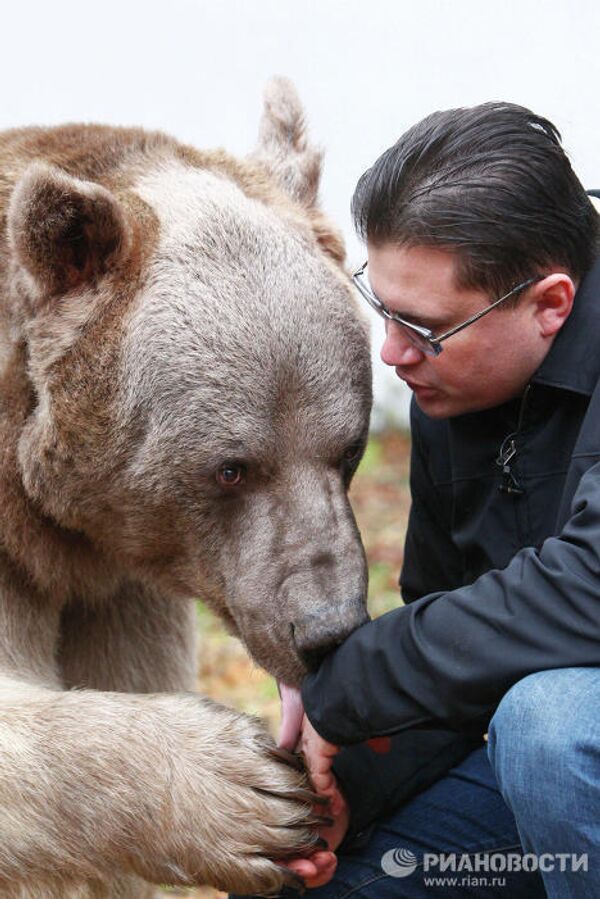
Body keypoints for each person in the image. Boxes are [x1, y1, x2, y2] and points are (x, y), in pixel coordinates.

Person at [232, 102, 600, 898]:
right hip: (554, 789)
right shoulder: (456, 387)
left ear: (551, 304)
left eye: (424, 326)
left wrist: (355, 681)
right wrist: (346, 787)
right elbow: (464, 659)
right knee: (307, 878)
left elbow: (591, 588)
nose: (392, 352)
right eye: (384, 308)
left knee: (553, 723)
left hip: (565, 748)